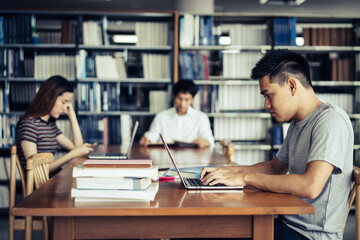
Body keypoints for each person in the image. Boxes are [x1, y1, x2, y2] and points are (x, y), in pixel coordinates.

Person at [200, 49, 353, 240]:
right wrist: (231, 172)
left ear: (291, 86)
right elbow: (275, 167)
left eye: (268, 95)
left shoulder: (330, 120)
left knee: (207, 233)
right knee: (208, 226)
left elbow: (310, 185)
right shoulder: (298, 123)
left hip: (309, 235)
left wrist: (246, 179)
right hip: (286, 222)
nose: (266, 105)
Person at [16, 75, 95, 176]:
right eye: (63, 102)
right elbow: (35, 170)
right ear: (49, 98)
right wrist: (72, 154)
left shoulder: (50, 126)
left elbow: (77, 147)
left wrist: (72, 115)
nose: (65, 107)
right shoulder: (29, 125)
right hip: (41, 186)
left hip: (53, 179)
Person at [140, 80, 214, 148]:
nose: (182, 104)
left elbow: (210, 141)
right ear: (174, 96)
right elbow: (152, 136)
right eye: (180, 98)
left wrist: (205, 142)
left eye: (186, 99)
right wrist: (146, 139)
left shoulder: (201, 117)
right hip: (165, 158)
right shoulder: (161, 116)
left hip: (192, 158)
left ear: (193, 99)